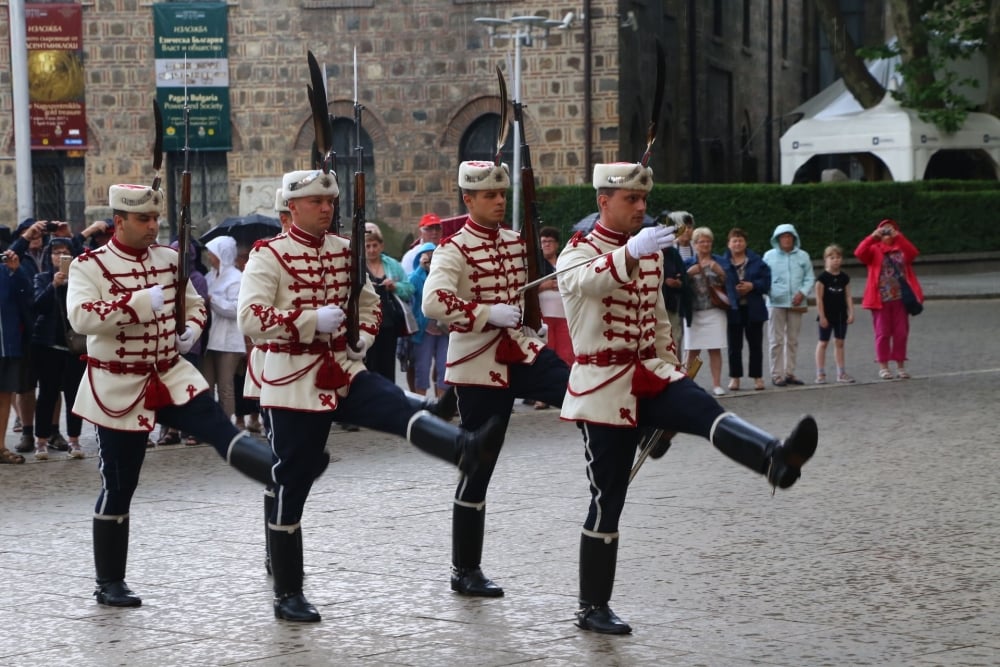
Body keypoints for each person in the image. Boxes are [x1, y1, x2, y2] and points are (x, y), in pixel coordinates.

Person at [557, 161, 818, 635]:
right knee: (607, 498)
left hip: (650, 371)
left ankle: (774, 458)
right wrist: (629, 254)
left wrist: (673, 369)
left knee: (703, 408)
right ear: (603, 203)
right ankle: (592, 606)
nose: (641, 207)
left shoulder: (651, 252)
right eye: (630, 200)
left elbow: (658, 319)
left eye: (643, 200)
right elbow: (588, 281)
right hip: (602, 384)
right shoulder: (577, 252)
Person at [237, 169, 503, 623]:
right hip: (291, 379)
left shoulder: (345, 250)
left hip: (342, 366)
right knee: (292, 481)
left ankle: (461, 448)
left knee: (394, 403)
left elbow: (366, 302)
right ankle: (288, 592)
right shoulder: (270, 254)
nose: (326, 208)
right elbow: (250, 317)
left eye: (330, 201)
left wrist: (360, 335)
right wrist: (307, 320)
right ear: (292, 208)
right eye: (316, 201)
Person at [67, 183, 285, 610]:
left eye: (155, 219)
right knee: (119, 483)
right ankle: (109, 582)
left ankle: (281, 472)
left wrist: (193, 327)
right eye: (144, 220)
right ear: (119, 222)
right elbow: (81, 316)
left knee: (220, 429)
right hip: (118, 383)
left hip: (170, 373)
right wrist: (137, 304)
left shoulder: (169, 260)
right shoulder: (88, 266)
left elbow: (194, 301)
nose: (153, 226)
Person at [422, 160, 570, 598]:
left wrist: (530, 319)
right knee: (478, 466)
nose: (499, 200)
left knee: (578, 387)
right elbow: (434, 302)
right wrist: (485, 314)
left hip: (519, 351)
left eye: (502, 193)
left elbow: (527, 287)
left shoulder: (514, 242)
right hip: (477, 364)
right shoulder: (454, 248)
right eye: (489, 195)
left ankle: (637, 431)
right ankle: (465, 570)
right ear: (468, 199)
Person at [30, 237, 86, 459]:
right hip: (47, 345)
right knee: (47, 394)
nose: (59, 257)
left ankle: (75, 440)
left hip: (74, 346)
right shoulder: (41, 278)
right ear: (49, 256)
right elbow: (37, 306)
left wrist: (71, 283)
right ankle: (41, 441)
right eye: (55, 253)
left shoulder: (80, 280)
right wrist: (53, 285)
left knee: (74, 395)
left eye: (64, 253)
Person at [853, 218, 922, 380]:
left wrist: (899, 237)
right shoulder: (874, 249)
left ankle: (900, 365)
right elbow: (859, 253)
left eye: (890, 229)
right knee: (882, 333)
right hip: (881, 299)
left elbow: (913, 253)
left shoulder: (901, 248)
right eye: (884, 230)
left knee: (901, 333)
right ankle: (883, 366)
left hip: (900, 298)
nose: (887, 233)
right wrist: (872, 237)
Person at [201, 236, 246, 426]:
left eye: (213, 253)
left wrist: (213, 299)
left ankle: (227, 424)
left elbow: (236, 309)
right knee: (207, 384)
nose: (210, 256)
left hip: (229, 340)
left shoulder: (237, 278)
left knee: (226, 385)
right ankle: (210, 422)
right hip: (211, 338)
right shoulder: (209, 276)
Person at [762, 223, 814, 386]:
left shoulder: (803, 256)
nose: (786, 239)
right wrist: (770, 292)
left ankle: (789, 372)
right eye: (783, 236)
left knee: (792, 340)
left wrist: (803, 292)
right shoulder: (769, 256)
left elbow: (809, 277)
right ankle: (776, 374)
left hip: (796, 302)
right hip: (775, 302)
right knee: (775, 340)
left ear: (794, 238)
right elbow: (763, 277)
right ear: (777, 239)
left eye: (789, 236)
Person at [363, 222, 413, 382]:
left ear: (381, 246)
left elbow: (409, 288)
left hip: (388, 323)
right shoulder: (357, 266)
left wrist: (395, 286)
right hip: (366, 324)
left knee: (387, 366)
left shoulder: (392, 265)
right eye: (367, 246)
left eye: (375, 245)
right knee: (368, 366)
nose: (371, 250)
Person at [683, 226, 729, 396]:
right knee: (692, 350)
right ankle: (688, 384)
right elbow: (679, 283)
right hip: (693, 312)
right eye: (702, 241)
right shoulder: (688, 263)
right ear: (694, 244)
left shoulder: (719, 261)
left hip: (715, 311)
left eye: (708, 241)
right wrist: (688, 274)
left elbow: (730, 283)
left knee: (714, 348)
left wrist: (720, 272)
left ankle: (716, 384)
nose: (705, 244)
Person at [723, 228, 770, 392]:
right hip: (733, 309)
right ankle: (735, 378)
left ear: (745, 243)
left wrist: (752, 285)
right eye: (734, 240)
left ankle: (757, 377)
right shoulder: (722, 262)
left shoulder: (758, 261)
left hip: (754, 309)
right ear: (729, 244)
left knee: (755, 345)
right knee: (734, 346)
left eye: (740, 240)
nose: (737, 243)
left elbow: (767, 283)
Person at [0, 244, 32, 464]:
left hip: (8, 345)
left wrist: (16, 270)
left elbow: (26, 297)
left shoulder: (6, 269)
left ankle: (0, 447)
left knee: (4, 396)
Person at [534, 226, 572, 409]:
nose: (547, 245)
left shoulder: (564, 263)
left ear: (556, 244)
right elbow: (528, 289)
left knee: (565, 355)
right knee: (546, 356)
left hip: (564, 315)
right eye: (543, 242)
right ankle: (544, 396)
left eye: (550, 241)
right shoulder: (536, 265)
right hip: (545, 316)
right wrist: (545, 285)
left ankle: (566, 393)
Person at [407, 242, 449, 398]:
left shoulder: (445, 275)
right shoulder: (417, 277)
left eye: (434, 255)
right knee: (422, 368)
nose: (431, 258)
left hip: (444, 329)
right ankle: (421, 403)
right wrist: (421, 267)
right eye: (427, 255)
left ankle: (441, 404)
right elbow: (409, 288)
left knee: (444, 368)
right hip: (424, 330)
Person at [814, 244, 855, 384]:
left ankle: (841, 373)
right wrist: (822, 316)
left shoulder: (845, 277)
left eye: (838, 257)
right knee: (823, 343)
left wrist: (851, 313)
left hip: (841, 315)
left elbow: (848, 296)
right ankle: (820, 373)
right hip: (827, 315)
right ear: (826, 259)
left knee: (840, 342)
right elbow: (819, 299)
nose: (836, 260)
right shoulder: (822, 278)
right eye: (832, 257)